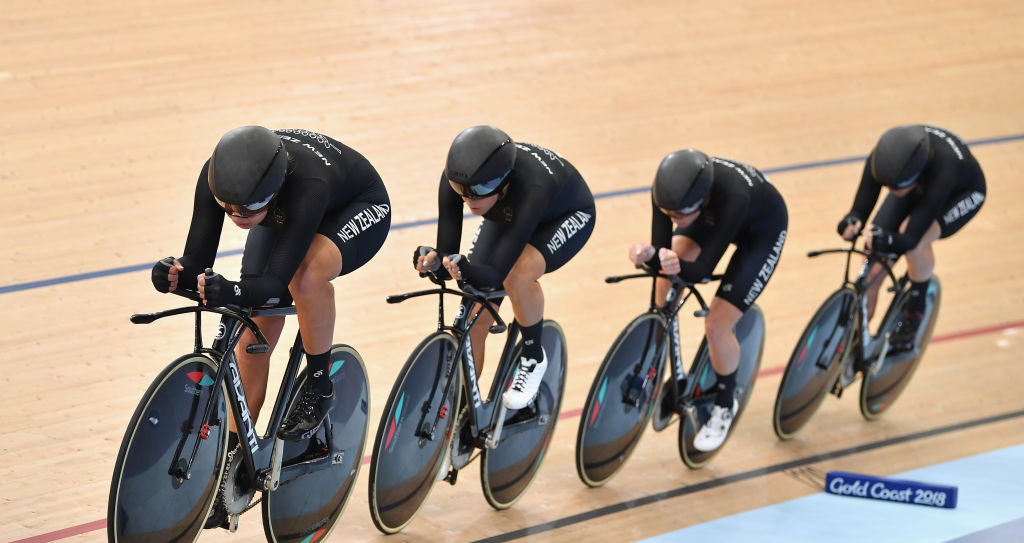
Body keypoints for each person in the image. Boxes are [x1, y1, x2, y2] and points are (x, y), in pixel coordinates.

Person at [151, 125, 391, 449]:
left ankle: (320, 388)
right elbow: (196, 259)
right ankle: (236, 458)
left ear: (274, 190)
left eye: (248, 209)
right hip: (286, 213)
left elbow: (275, 284)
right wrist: (175, 273)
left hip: (355, 206)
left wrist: (232, 291)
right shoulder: (219, 178)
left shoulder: (308, 185)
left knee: (304, 277)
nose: (238, 216)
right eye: (229, 208)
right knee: (251, 340)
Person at [414, 125, 596, 409]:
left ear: (505, 182)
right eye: (461, 191)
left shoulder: (531, 188)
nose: (468, 199)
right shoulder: (461, 180)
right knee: (472, 316)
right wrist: (435, 261)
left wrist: (467, 271)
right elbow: (448, 255)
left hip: (565, 214)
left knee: (517, 276)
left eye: (479, 192)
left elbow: (495, 275)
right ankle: (462, 414)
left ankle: (534, 357)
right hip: (512, 212)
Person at [628, 150, 787, 452]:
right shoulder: (668, 192)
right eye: (669, 214)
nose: (673, 220)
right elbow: (663, 254)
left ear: (703, 199)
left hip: (761, 232)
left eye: (680, 215)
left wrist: (671, 264)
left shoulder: (733, 196)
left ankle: (725, 405)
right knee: (666, 282)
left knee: (716, 325)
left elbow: (701, 271)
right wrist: (647, 255)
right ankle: (661, 356)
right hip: (713, 218)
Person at [837, 124, 986, 351]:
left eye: (895, 186)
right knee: (872, 270)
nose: (890, 189)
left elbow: (910, 239)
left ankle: (916, 309)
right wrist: (855, 218)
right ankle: (854, 342)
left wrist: (889, 241)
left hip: (961, 193)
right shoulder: (884, 157)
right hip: (918, 181)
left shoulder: (945, 171)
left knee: (915, 239)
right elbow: (865, 199)